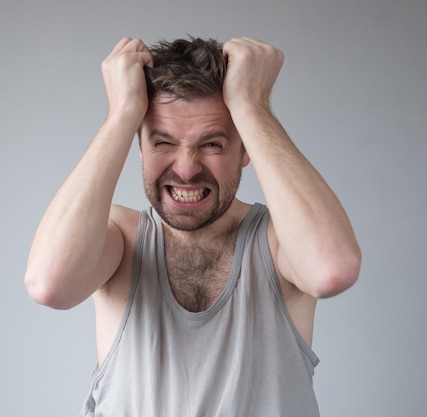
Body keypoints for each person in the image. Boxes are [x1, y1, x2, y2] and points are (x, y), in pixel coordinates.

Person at [25, 35, 361, 417]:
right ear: (139, 146)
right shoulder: (121, 237)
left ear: (246, 147)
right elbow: (49, 284)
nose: (186, 168)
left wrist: (252, 106)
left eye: (213, 144)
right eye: (163, 142)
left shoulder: (280, 240)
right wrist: (121, 113)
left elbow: (332, 269)